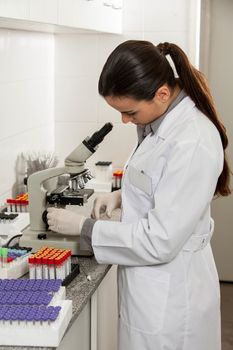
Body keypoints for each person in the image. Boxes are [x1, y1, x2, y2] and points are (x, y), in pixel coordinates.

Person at [47, 40, 231, 350]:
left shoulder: (192, 140)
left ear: (161, 93)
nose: (124, 120)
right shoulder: (157, 124)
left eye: (129, 111)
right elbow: (162, 183)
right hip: (149, 290)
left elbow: (160, 239)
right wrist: (123, 196)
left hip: (174, 298)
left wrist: (84, 229)